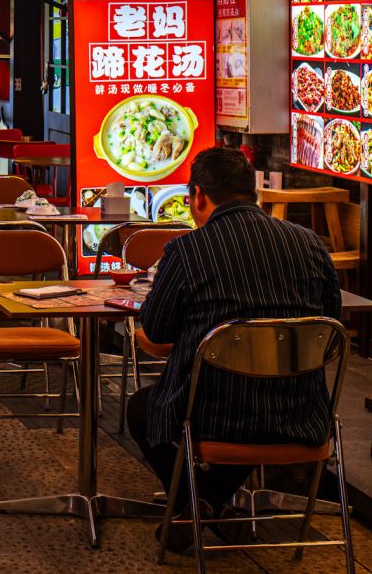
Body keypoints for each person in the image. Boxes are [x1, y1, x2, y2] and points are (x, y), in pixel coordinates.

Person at [127, 147, 341, 542]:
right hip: (302, 414)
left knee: (142, 410)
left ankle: (196, 505)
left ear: (198, 196)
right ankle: (210, 505)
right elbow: (330, 328)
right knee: (250, 410)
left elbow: (156, 331)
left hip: (215, 416)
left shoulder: (186, 250)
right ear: (253, 192)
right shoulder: (310, 244)